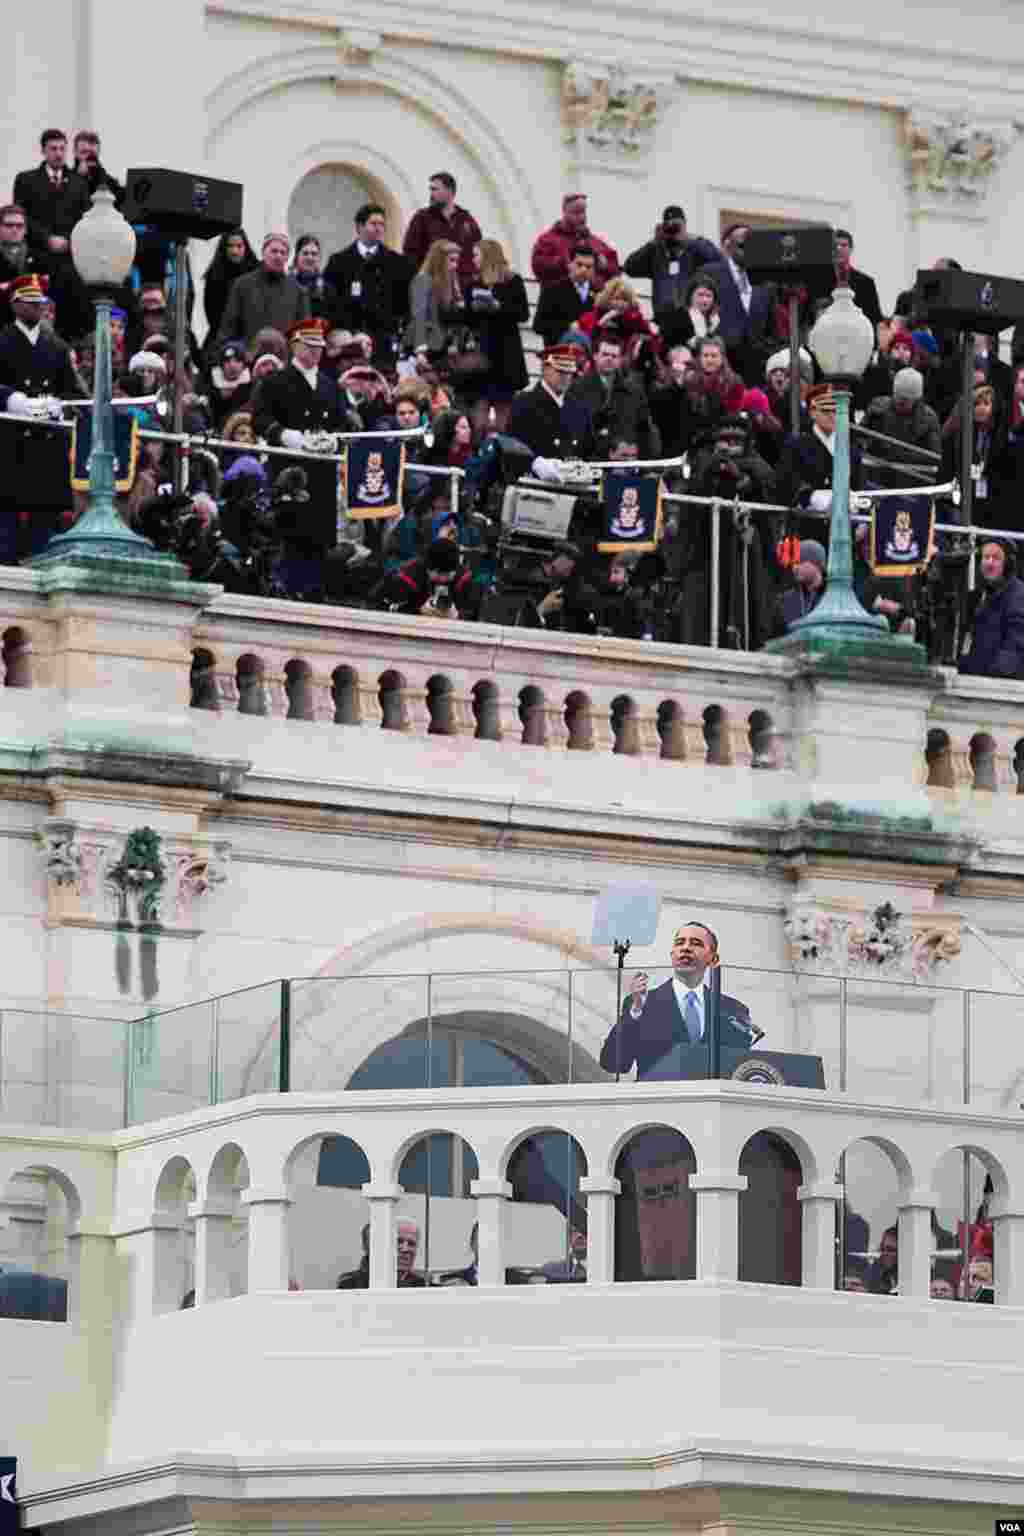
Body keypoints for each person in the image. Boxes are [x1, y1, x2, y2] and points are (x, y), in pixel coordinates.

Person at [599, 922, 755, 1080]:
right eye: (680, 943)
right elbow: (613, 1063)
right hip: (658, 1094)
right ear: (672, 954)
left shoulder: (731, 1009)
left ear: (713, 959)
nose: (685, 948)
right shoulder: (643, 1003)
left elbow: (738, 1069)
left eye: (696, 943)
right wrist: (635, 1013)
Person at [0, 272, 82, 562]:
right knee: (6, 524)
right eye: (30, 301)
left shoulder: (57, 347)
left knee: (44, 525)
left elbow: (72, 391)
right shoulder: (2, 341)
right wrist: (11, 399)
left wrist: (59, 405)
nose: (37, 307)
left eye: (40, 302)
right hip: (10, 442)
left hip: (46, 443)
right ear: (15, 304)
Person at [324, 204, 412, 369]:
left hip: (384, 343)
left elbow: (404, 304)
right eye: (373, 223)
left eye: (382, 224)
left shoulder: (396, 262)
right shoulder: (339, 261)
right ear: (359, 227)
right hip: (350, 342)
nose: (379, 228)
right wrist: (350, 333)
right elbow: (332, 303)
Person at [623, 205, 720, 345]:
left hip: (691, 320)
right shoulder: (656, 251)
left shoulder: (695, 250)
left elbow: (717, 259)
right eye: (669, 227)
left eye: (677, 226)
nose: (673, 230)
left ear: (685, 225)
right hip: (662, 320)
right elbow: (629, 267)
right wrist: (653, 242)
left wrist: (690, 238)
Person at [695, 224, 775, 383]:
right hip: (720, 366)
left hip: (755, 370)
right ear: (728, 246)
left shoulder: (765, 280)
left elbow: (771, 327)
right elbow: (697, 315)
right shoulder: (709, 273)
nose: (747, 250)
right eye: (742, 245)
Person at [465, 238, 529, 432]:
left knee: (503, 418)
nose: (473, 259)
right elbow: (467, 319)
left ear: (488, 257)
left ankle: (501, 448)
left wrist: (499, 307)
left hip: (506, 355)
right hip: (482, 353)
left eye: (476, 255)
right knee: (479, 418)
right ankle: (478, 446)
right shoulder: (474, 283)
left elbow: (523, 314)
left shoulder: (512, 281)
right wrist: (472, 308)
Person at [568, 333, 660, 459]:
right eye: (605, 354)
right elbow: (576, 433)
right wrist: (608, 453)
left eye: (614, 356)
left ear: (620, 359)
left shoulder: (635, 392)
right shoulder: (577, 389)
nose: (609, 359)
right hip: (593, 463)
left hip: (630, 463)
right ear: (595, 356)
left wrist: (637, 450)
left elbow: (645, 430)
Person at [506, 344, 595, 473]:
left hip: (573, 479)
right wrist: (535, 464)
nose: (565, 377)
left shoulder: (579, 407)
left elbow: (588, 449)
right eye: (560, 371)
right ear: (545, 369)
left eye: (569, 372)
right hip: (535, 481)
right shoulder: (524, 403)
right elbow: (514, 449)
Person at [216, 233, 311, 351]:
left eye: (283, 253)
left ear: (287, 258)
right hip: (249, 357)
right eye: (274, 251)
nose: (278, 256)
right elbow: (228, 329)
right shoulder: (242, 285)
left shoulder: (298, 292)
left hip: (283, 359)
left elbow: (303, 336)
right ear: (263, 253)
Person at [957, 540, 1024, 679]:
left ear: (1008, 565)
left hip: (1001, 683)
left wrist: (990, 676)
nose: (989, 563)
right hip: (978, 677)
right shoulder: (982, 593)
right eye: (986, 557)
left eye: (996, 558)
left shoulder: (1018, 596)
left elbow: (1014, 650)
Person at [369, 536, 480, 619]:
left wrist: (458, 616)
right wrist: (417, 612)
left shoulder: (464, 579)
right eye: (439, 574)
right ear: (428, 567)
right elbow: (374, 605)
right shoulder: (406, 577)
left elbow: (474, 613)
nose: (443, 579)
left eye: (448, 575)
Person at [402, 172, 482, 287]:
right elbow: (410, 254)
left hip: (463, 286)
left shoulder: (467, 220)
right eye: (431, 189)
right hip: (432, 285)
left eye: (435, 189)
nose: (431, 194)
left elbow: (478, 252)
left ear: (449, 191)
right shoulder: (422, 218)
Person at [531, 193, 619, 291]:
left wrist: (605, 265)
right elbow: (539, 268)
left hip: (592, 299)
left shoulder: (595, 242)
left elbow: (616, 270)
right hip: (559, 298)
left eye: (583, 212)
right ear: (564, 212)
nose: (582, 217)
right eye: (576, 213)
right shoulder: (547, 241)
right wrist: (565, 263)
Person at [514, 541, 598, 634]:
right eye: (570, 558)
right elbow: (519, 628)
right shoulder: (531, 583)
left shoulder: (565, 586)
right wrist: (542, 609)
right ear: (557, 559)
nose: (572, 565)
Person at [406, 239, 464, 367]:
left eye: (457, 261)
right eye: (451, 260)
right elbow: (419, 317)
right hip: (427, 348)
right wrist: (420, 352)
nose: (455, 265)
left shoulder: (451, 280)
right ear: (439, 260)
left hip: (445, 346)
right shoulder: (422, 280)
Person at [533, 245, 597, 350]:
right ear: (569, 264)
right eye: (579, 265)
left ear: (594, 269)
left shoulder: (598, 292)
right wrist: (568, 327)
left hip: (588, 355)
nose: (584, 270)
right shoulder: (552, 290)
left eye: (589, 266)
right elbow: (538, 326)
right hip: (558, 353)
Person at [202, 229, 260, 341]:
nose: (235, 251)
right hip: (223, 336)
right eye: (230, 246)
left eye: (239, 246)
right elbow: (212, 314)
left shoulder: (257, 272)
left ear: (245, 247)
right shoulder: (215, 275)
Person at [336, 1219, 427, 1288]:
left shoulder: (423, 1285)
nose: (405, 1249)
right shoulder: (350, 1283)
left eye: (411, 1244)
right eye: (398, 1241)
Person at [771, 538, 827, 635]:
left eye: (799, 562)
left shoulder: (832, 597)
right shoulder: (784, 601)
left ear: (816, 564)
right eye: (793, 563)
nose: (794, 567)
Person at [834, 229, 882, 331]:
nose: (839, 248)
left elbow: (874, 318)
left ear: (851, 249)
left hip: (857, 335)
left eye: (843, 245)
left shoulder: (866, 283)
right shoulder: (820, 281)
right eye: (835, 245)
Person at [291, 234, 340, 326]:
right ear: (297, 256)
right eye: (305, 253)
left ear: (319, 258)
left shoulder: (327, 288)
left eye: (314, 254)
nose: (310, 258)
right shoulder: (287, 284)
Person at [70, 129, 124, 206]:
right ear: (75, 152)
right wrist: (78, 178)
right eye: (84, 152)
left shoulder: (109, 182)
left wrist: (99, 178)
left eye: (92, 153)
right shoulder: (65, 181)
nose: (88, 157)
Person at [866, 1225, 898, 1295]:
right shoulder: (876, 1271)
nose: (884, 1253)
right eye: (882, 1248)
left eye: (890, 1250)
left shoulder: (907, 1279)